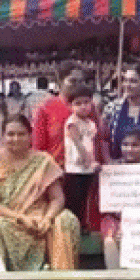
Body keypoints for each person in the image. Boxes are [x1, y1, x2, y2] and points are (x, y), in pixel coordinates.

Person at [0, 114, 80, 271]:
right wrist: (20, 218)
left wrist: (47, 219)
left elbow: (57, 198)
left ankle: (61, 275)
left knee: (66, 219)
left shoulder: (43, 160)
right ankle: (9, 279)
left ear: (30, 136)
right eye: (10, 134)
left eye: (21, 134)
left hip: (39, 218)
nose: (16, 139)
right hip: (8, 218)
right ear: (3, 137)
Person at [100, 127, 140, 270]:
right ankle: (116, 277)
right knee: (110, 240)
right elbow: (109, 202)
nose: (129, 149)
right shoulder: (112, 168)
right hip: (116, 218)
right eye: (125, 145)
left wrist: (131, 222)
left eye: (135, 145)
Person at [33, 61, 99, 170]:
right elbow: (38, 149)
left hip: (87, 171)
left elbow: (98, 140)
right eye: (72, 81)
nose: (78, 85)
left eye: (81, 81)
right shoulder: (45, 109)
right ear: (60, 81)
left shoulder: (90, 107)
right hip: (56, 172)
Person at [63, 85, 99, 228]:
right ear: (70, 106)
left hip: (87, 169)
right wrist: (90, 162)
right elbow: (78, 144)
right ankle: (71, 229)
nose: (83, 106)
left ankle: (82, 227)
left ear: (91, 103)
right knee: (74, 202)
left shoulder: (90, 123)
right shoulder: (72, 122)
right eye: (78, 103)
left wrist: (92, 162)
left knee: (85, 200)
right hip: (74, 170)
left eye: (86, 102)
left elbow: (91, 145)